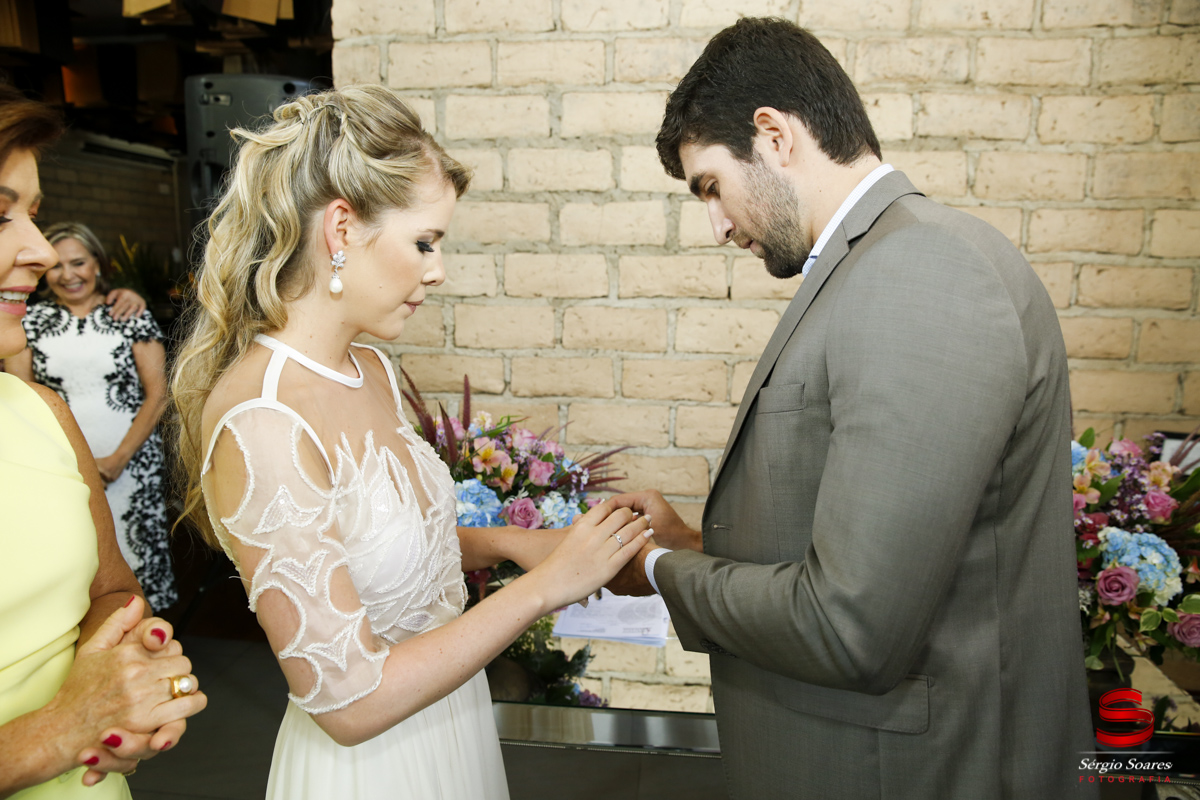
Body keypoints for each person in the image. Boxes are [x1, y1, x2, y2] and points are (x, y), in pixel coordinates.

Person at [607, 18, 1095, 800]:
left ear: (774, 136)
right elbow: (888, 547)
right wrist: (693, 542)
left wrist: (660, 569)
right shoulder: (880, 264)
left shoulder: (921, 272)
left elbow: (852, 625)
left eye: (711, 187)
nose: (717, 226)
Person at [171, 85, 652, 800]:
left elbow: (382, 543)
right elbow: (348, 702)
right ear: (341, 229)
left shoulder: (371, 368)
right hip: (373, 768)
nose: (437, 270)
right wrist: (546, 588)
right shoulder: (263, 421)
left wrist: (513, 544)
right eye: (424, 242)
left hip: (451, 723)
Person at [0, 85, 206, 798]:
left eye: (33, 215)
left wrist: (126, 668)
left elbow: (113, 588)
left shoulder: (39, 414)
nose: (39, 252)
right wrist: (60, 727)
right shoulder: (37, 329)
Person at [7, 222, 176, 611]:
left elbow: (159, 393)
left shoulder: (129, 312)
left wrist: (118, 459)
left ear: (98, 264)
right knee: (81, 566)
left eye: (79, 262)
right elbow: (22, 397)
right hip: (64, 468)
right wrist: (68, 465)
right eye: (57, 265)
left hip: (132, 466)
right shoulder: (28, 321)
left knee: (137, 560)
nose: (68, 275)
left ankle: (150, 640)